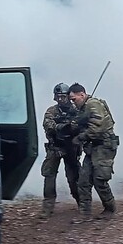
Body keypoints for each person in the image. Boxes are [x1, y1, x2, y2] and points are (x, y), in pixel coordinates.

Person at [67, 83, 119, 219]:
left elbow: (97, 129)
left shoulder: (93, 104)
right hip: (93, 147)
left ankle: (110, 208)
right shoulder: (83, 108)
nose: (73, 103)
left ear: (82, 95)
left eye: (74, 99)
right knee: (84, 180)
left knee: (99, 180)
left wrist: (80, 138)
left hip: (104, 147)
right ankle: (84, 213)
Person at [39, 83, 81, 218]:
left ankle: (82, 204)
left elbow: (80, 127)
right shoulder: (52, 111)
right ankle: (47, 208)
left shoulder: (77, 111)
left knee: (74, 177)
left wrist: (72, 126)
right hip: (55, 147)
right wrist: (63, 127)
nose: (61, 99)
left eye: (63, 96)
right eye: (58, 97)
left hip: (71, 148)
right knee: (49, 176)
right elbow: (48, 125)